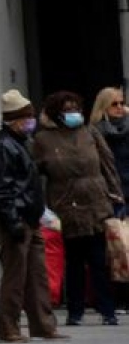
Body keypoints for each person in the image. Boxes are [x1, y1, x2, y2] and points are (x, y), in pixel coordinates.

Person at [33, 90, 124, 326]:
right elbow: (34, 173)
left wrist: (116, 195)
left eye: (76, 108)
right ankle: (75, 311)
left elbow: (107, 164)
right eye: (67, 110)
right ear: (57, 114)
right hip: (66, 206)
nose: (73, 113)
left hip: (96, 204)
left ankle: (107, 310)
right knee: (73, 261)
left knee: (98, 261)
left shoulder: (90, 133)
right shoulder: (44, 140)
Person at [0, 90, 68, 342]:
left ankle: (43, 325)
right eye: (27, 118)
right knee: (16, 275)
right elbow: (2, 190)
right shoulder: (3, 147)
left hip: (29, 217)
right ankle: (10, 327)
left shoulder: (20, 143)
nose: (31, 122)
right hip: (16, 218)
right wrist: (12, 222)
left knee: (37, 274)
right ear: (15, 120)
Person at [91, 87, 129, 312]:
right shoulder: (96, 133)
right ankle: (118, 297)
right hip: (110, 196)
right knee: (116, 249)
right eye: (115, 104)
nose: (120, 108)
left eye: (122, 103)